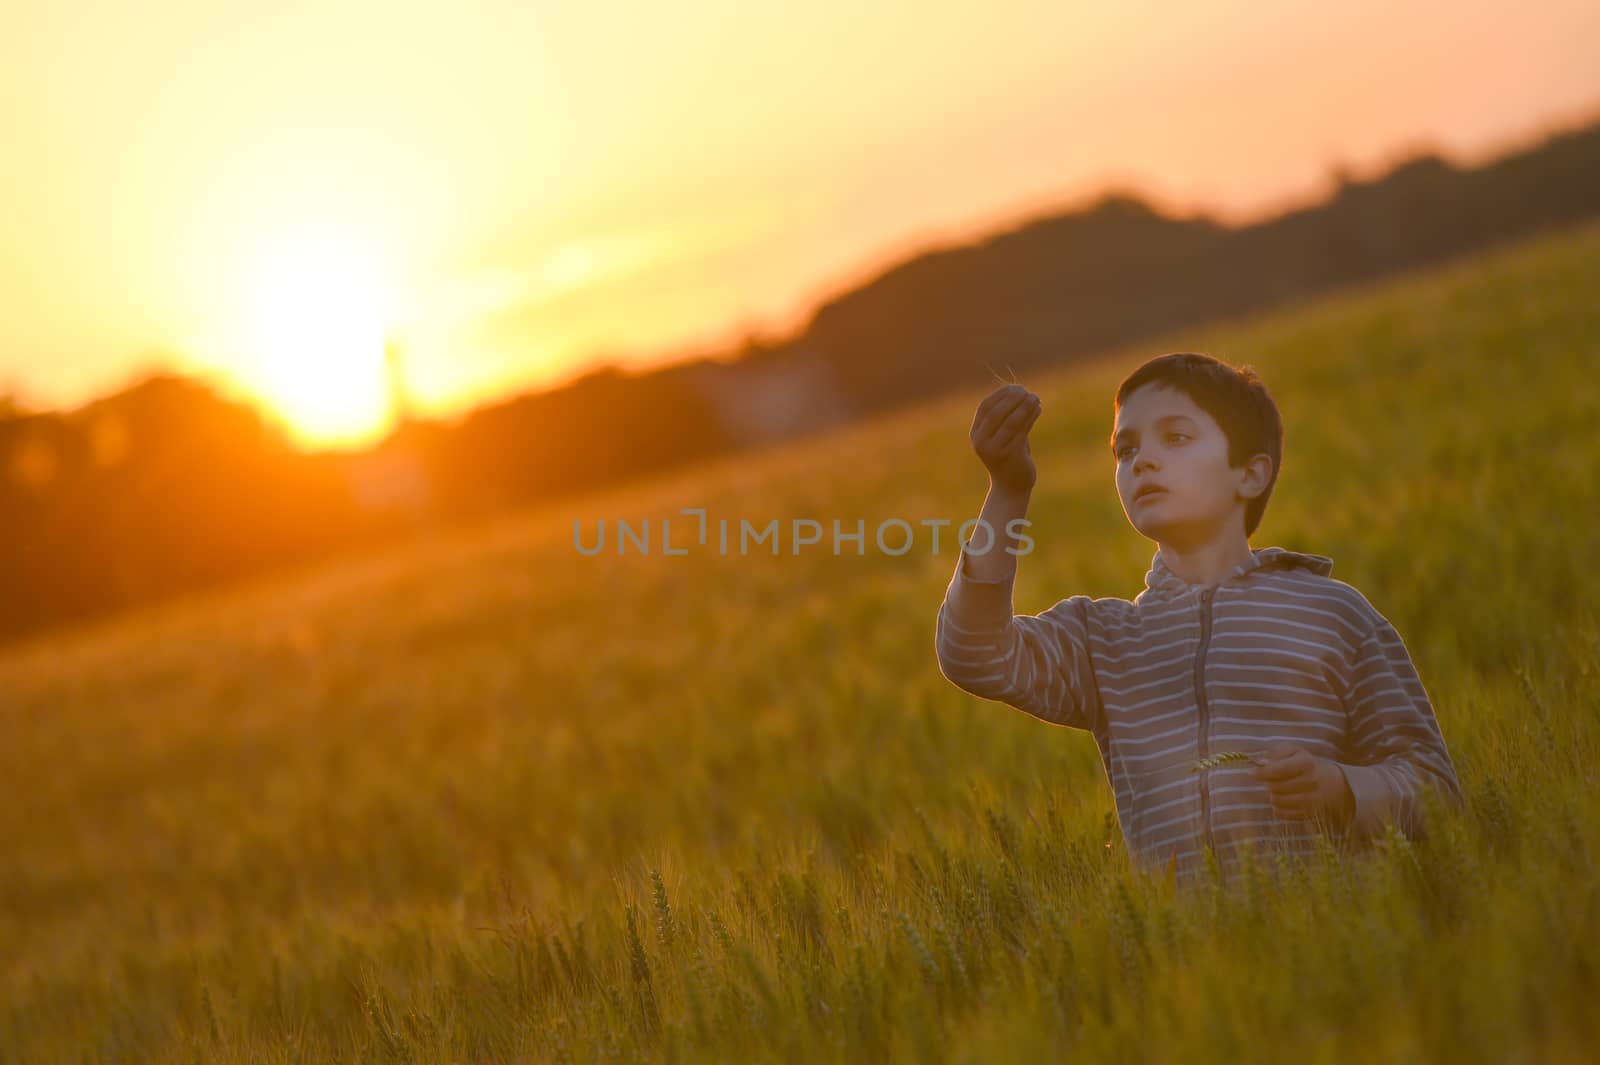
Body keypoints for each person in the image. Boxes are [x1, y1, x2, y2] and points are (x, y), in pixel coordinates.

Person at [934, 351, 1463, 890]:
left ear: (1250, 474)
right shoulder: (1104, 641)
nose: (1142, 461)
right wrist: (1008, 490)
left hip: (1326, 946)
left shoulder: (1333, 614)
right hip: (1185, 960)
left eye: (1177, 438)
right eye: (1126, 449)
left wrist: (1341, 789)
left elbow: (1437, 791)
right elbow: (974, 654)